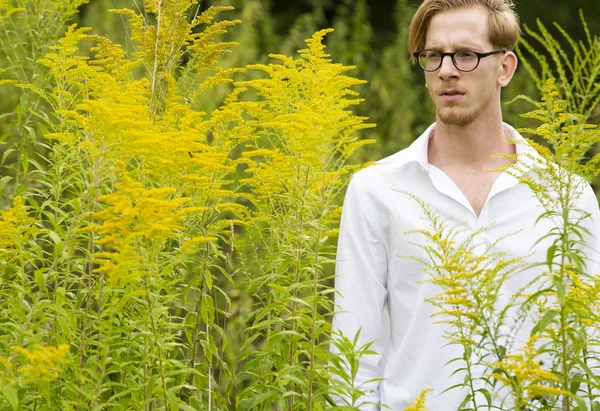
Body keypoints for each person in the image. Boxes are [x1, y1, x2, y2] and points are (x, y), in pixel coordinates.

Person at [332, 0, 600, 410]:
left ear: (505, 68)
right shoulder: (376, 191)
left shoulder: (568, 197)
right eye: (433, 55)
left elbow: (589, 349)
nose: (446, 70)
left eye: (466, 55)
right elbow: (352, 357)